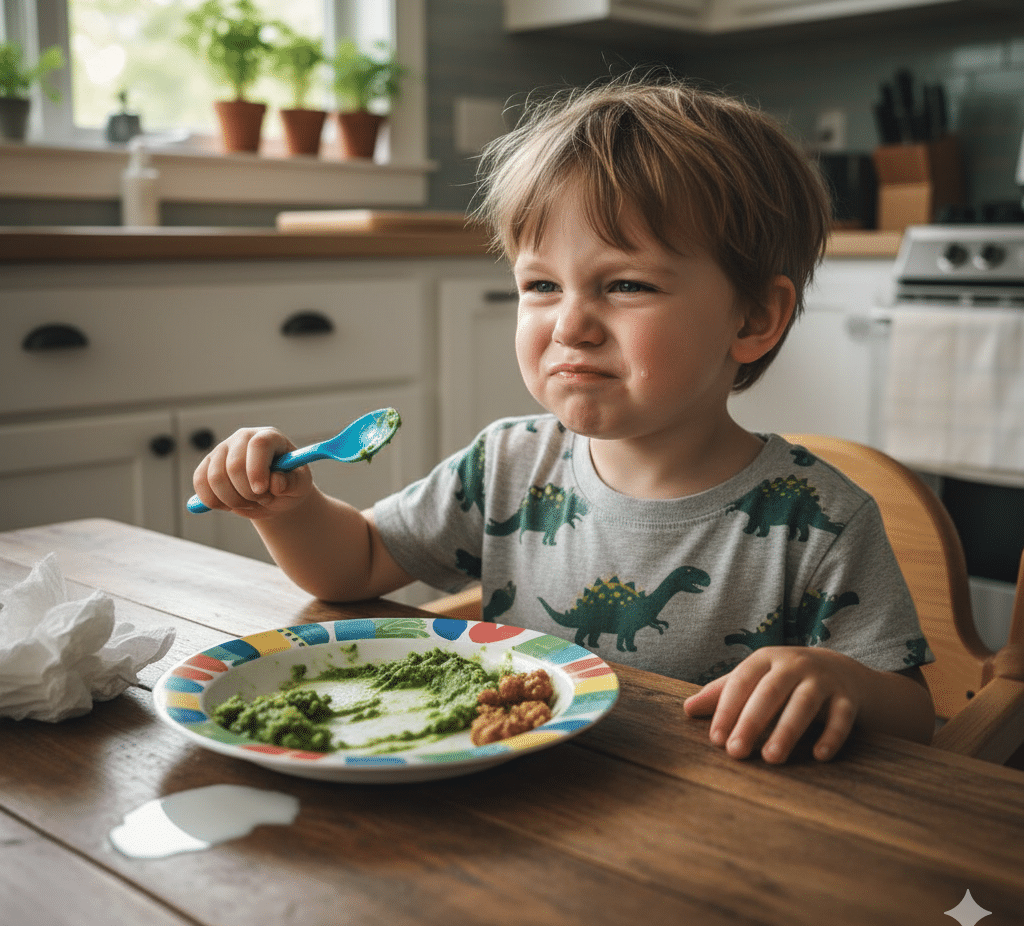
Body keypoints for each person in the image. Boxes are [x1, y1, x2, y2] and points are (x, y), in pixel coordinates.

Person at [191, 76, 935, 764]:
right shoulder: (508, 464)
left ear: (754, 317)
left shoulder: (823, 519)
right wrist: (289, 510)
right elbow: (351, 569)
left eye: (627, 284)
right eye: (541, 284)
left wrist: (841, 680)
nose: (569, 325)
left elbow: (915, 719)